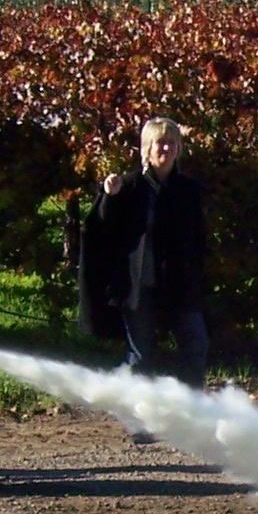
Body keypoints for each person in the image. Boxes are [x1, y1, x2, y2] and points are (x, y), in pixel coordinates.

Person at [80, 117, 210, 389]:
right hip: (139, 288)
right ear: (146, 149)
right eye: (160, 143)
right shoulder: (128, 187)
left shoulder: (188, 190)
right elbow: (101, 230)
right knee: (140, 359)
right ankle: (139, 425)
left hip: (179, 287)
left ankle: (191, 418)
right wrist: (108, 197)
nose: (167, 149)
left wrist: (196, 277)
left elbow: (199, 240)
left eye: (172, 143)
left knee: (196, 345)